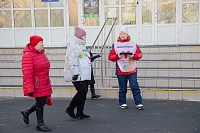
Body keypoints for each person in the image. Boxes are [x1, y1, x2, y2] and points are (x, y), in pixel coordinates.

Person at [21, 35, 52, 132]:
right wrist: (29, 88)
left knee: (41, 102)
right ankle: (40, 124)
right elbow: (27, 73)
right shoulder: (28, 56)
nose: (43, 44)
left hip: (44, 82)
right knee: (40, 103)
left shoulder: (41, 53)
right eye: (40, 43)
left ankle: (26, 112)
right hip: (37, 84)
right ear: (35, 44)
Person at [108, 27, 144, 110]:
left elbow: (139, 54)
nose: (122, 35)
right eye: (121, 33)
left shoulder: (133, 44)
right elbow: (110, 57)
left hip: (131, 69)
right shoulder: (115, 44)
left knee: (134, 86)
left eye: (124, 33)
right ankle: (122, 102)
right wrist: (118, 56)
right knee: (122, 87)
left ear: (127, 34)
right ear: (119, 35)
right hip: (121, 70)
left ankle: (139, 103)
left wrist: (133, 56)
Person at [64, 26, 91, 120]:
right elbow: (72, 60)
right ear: (80, 36)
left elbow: (83, 57)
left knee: (84, 92)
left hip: (84, 72)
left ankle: (80, 112)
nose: (85, 37)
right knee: (82, 91)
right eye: (84, 35)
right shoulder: (73, 45)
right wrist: (75, 73)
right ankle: (70, 109)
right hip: (77, 73)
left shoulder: (82, 44)